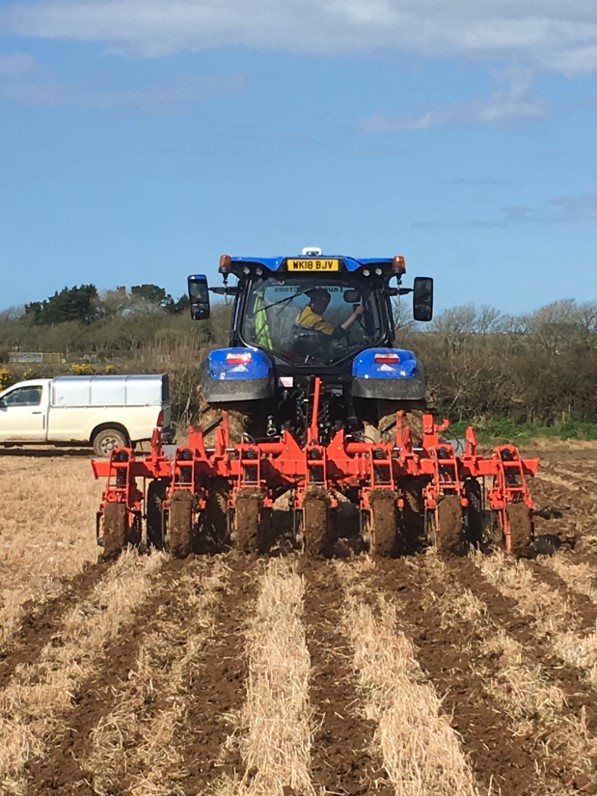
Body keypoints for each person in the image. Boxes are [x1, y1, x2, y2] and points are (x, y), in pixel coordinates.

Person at [291, 288, 364, 358]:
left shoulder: (302, 314)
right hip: (313, 358)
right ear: (314, 301)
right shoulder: (314, 319)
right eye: (322, 304)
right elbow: (337, 333)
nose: (324, 308)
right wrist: (355, 315)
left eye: (326, 305)